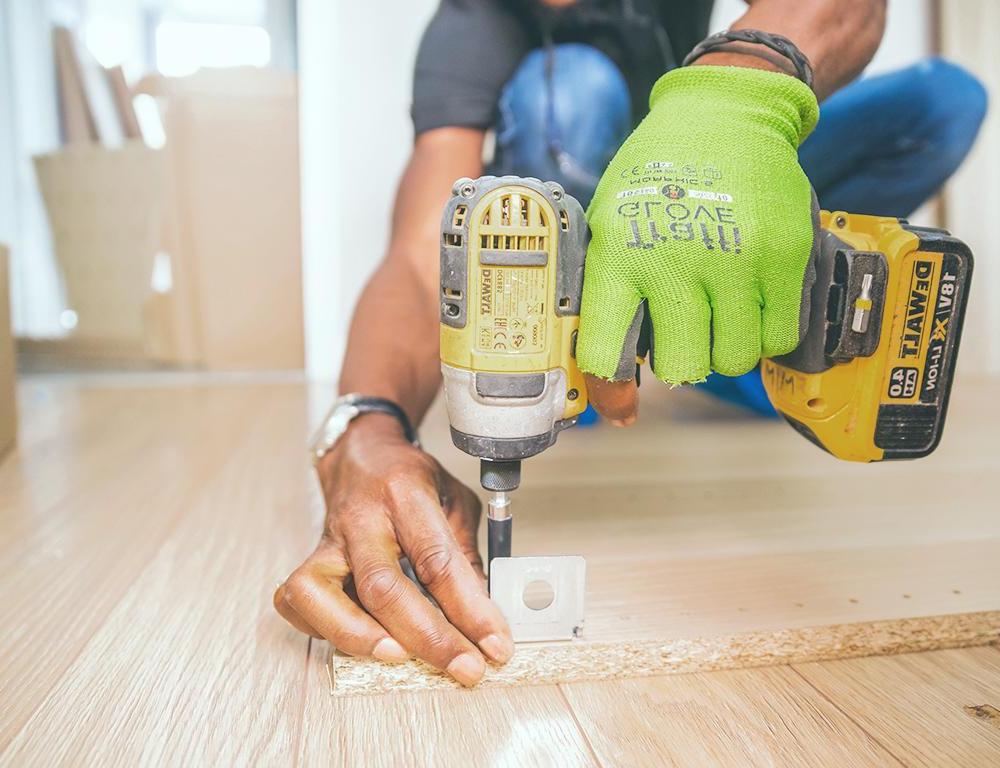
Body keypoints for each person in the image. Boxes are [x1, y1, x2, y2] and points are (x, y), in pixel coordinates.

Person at [274, 0, 987, 686]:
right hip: (591, 243)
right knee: (571, 86)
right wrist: (365, 428)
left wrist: (734, 95)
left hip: (711, 189)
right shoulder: (472, 21)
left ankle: (726, 326)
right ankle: (604, 345)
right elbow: (419, 253)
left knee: (940, 101)